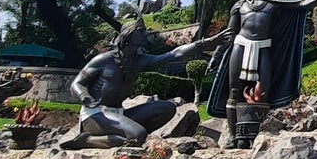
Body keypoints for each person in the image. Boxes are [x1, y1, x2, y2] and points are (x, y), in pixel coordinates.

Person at [207, 0, 317, 116]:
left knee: (263, 89)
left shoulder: (274, 2)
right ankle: (233, 137)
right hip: (240, 46)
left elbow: (301, 5)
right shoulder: (240, 5)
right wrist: (216, 56)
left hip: (263, 47)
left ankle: (258, 128)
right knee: (234, 90)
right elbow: (229, 34)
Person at [64, 18, 221, 147]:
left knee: (167, 108)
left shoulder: (140, 61)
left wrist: (204, 44)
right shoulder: (104, 60)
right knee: (137, 135)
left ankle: (132, 135)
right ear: (128, 35)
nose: (145, 34)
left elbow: (174, 55)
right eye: (140, 31)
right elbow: (77, 83)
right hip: (95, 115)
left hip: (119, 113)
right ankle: (88, 140)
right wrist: (84, 96)